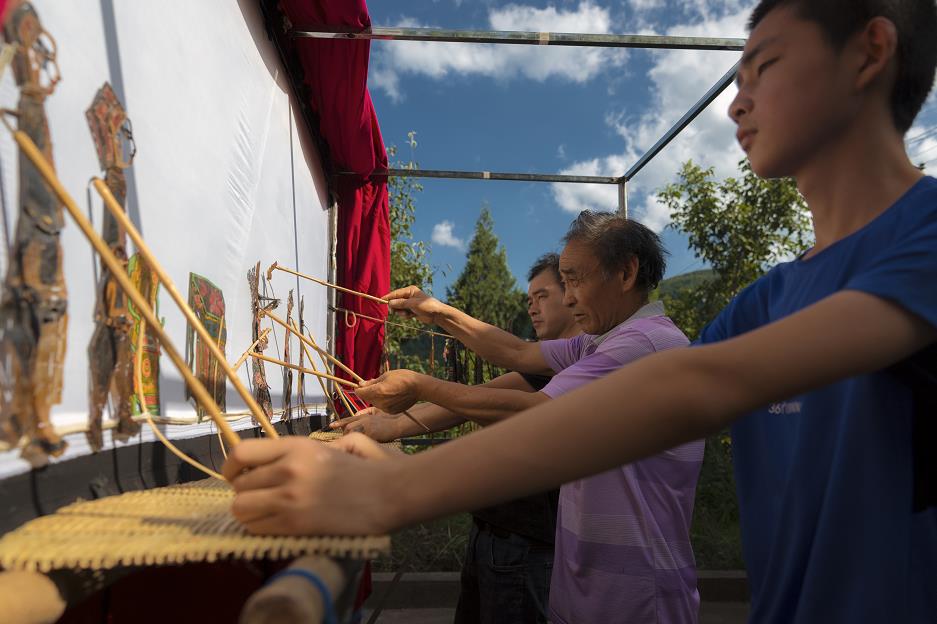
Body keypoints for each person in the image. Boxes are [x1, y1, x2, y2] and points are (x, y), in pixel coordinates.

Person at [224, 1, 937, 622]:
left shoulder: (925, 239)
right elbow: (555, 380)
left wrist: (396, 488)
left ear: (869, 52)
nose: (735, 105)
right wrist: (407, 420)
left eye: (766, 66)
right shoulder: (761, 307)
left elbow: (685, 389)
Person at [333, 253, 579, 624]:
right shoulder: (551, 357)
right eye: (529, 299)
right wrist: (436, 313)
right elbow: (502, 364)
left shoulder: (586, 360)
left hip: (531, 541)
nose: (532, 307)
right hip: (497, 529)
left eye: (542, 296)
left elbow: (485, 402)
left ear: (572, 294)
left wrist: (397, 421)